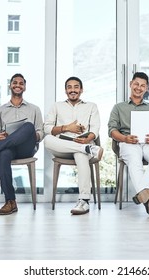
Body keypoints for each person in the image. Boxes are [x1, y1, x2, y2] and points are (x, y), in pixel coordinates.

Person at [0, 73, 43, 216]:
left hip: (26, 148)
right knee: (3, 155)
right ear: (10, 86)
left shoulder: (34, 109)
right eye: (15, 83)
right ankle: (10, 201)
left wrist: (29, 134)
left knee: (28, 126)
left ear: (24, 87)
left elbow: (40, 133)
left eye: (21, 83)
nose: (18, 85)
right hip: (7, 148)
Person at [108, 72, 149, 216]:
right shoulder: (118, 107)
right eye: (136, 84)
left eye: (142, 86)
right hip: (128, 142)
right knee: (134, 160)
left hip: (148, 142)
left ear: (146, 88)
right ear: (130, 84)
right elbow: (112, 130)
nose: (139, 88)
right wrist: (124, 138)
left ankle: (144, 192)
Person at [44, 76, 103, 215]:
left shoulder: (91, 106)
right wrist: (67, 128)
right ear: (65, 91)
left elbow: (95, 129)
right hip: (62, 146)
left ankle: (84, 201)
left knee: (81, 154)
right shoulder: (56, 106)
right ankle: (88, 149)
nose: (73, 90)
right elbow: (47, 128)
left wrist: (87, 139)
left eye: (76, 87)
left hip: (83, 143)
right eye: (69, 87)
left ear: (81, 90)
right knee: (47, 139)